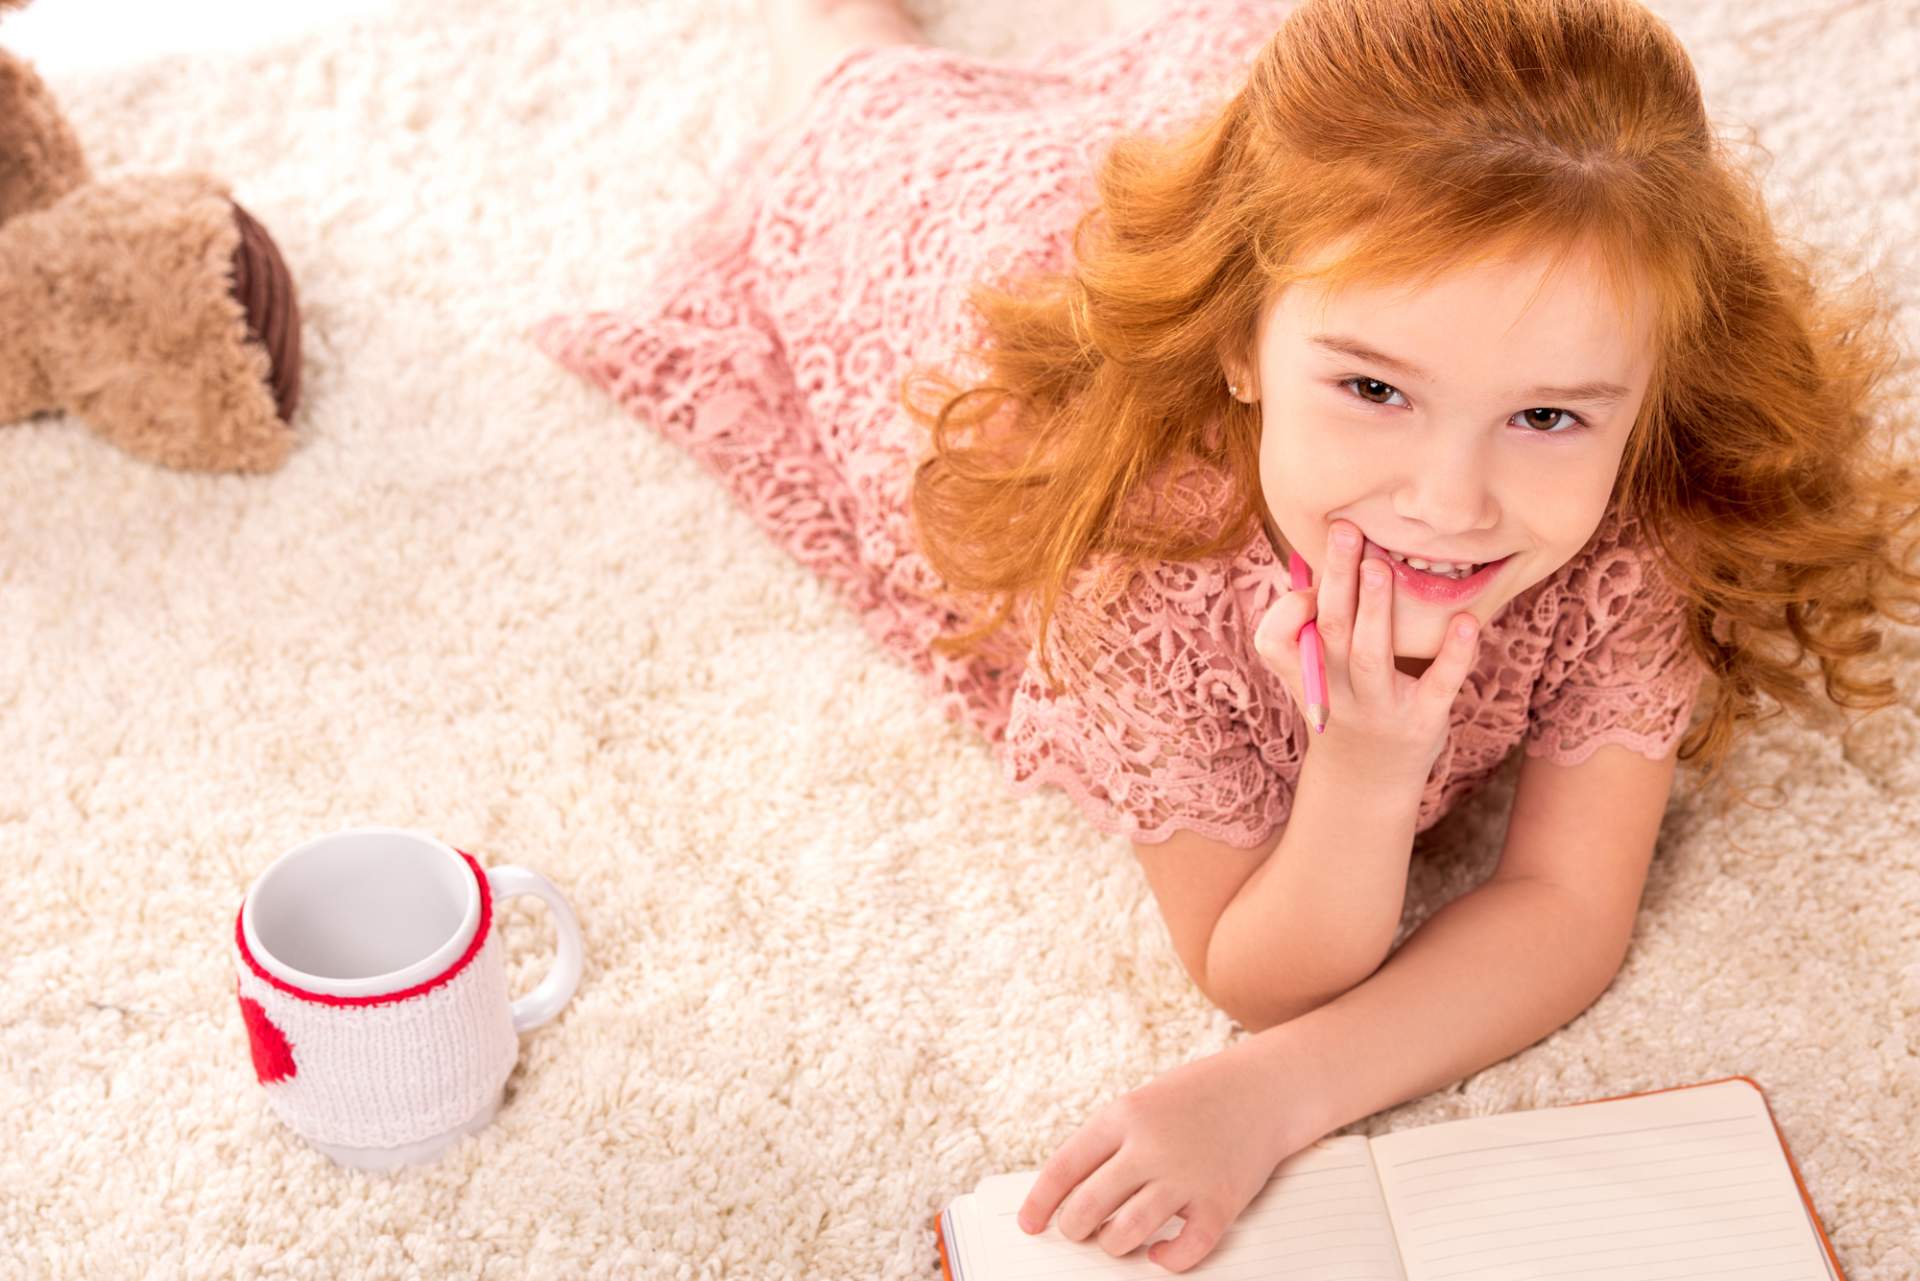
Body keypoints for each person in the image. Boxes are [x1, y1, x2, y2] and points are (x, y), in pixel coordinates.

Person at [530, 0, 1920, 1271]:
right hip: (979, 273)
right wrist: (1369, 773)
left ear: (1646, 394)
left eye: (1548, 416)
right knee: (856, 107)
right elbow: (1254, 966)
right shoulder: (1143, 558)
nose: (1448, 503)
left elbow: (1567, 908)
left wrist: (1271, 1098)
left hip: (1318, 230)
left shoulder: (1634, 519)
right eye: (1375, 386)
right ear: (1245, 344)